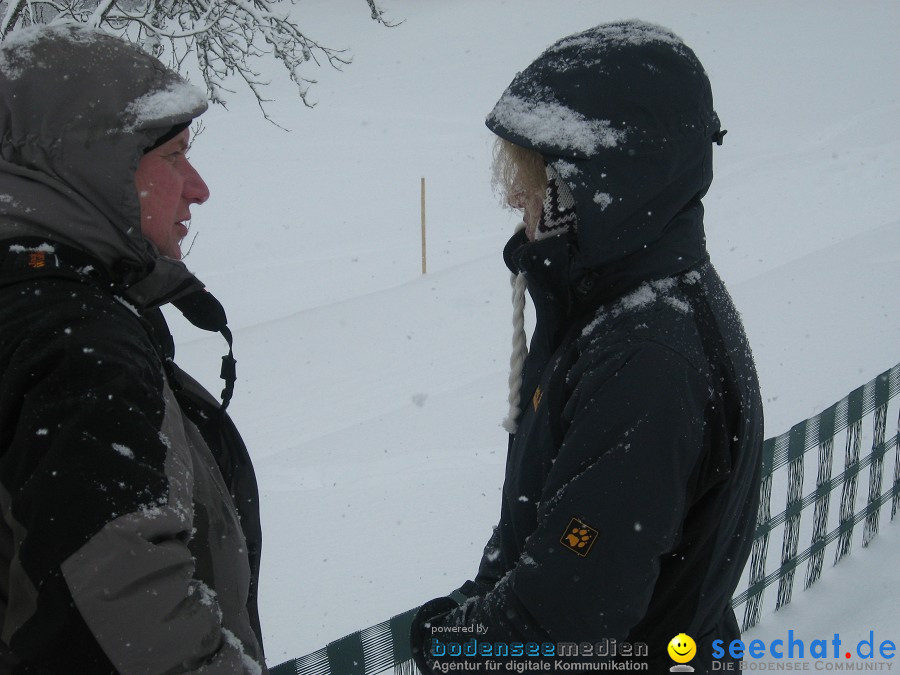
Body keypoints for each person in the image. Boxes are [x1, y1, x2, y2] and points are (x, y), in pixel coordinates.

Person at [410, 20, 763, 674]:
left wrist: (446, 640)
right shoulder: (608, 302)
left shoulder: (647, 354)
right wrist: (477, 600)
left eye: (536, 171)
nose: (514, 193)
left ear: (609, 182)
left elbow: (569, 613)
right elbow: (536, 522)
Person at [0, 24, 266, 672]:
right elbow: (124, 626)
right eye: (174, 155)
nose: (197, 186)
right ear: (90, 165)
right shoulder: (79, 351)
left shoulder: (28, 314)